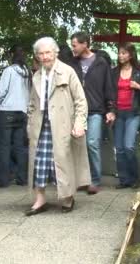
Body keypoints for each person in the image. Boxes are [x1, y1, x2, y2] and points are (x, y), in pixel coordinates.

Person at [25, 37, 90, 215]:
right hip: (40, 125)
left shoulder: (67, 72)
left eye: (48, 52)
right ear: (37, 56)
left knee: (62, 161)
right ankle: (40, 198)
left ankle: (67, 197)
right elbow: (31, 103)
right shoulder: (37, 75)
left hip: (62, 125)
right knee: (39, 161)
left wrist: (79, 122)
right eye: (41, 53)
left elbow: (80, 101)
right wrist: (29, 123)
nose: (45, 57)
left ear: (55, 53)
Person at [70, 32, 116, 194]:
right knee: (78, 146)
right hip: (75, 111)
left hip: (95, 110)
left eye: (74, 45)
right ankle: (81, 179)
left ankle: (95, 180)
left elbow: (108, 87)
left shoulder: (101, 63)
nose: (72, 48)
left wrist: (110, 110)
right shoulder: (72, 63)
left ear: (85, 44)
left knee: (92, 144)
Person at [112, 43, 140, 189]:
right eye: (119, 53)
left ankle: (134, 177)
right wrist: (110, 110)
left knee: (129, 146)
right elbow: (110, 92)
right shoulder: (114, 72)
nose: (121, 56)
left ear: (130, 55)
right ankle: (124, 180)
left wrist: (139, 87)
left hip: (133, 113)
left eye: (123, 53)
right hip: (118, 114)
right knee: (119, 148)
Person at [0, 45, 31, 187]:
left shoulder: (8, 71)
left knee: (4, 147)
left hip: (7, 112)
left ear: (11, 55)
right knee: (20, 147)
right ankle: (22, 179)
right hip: (22, 113)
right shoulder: (28, 73)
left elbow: (0, 93)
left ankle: (3, 181)